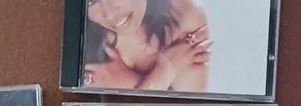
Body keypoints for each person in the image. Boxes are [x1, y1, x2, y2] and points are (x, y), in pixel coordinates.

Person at [82, 0, 212, 93]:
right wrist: (164, 73)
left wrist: (130, 86)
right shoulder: (83, 42)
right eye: (91, 2)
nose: (110, 14)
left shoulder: (185, 17)